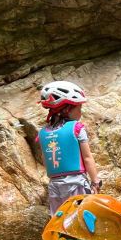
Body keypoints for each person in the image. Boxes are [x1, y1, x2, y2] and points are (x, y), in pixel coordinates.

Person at [36, 80, 101, 212]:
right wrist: (95, 182)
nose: (80, 112)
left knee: (60, 219)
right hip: (76, 184)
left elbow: (45, 160)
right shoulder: (76, 128)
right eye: (79, 108)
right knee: (81, 218)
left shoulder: (43, 133)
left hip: (54, 187)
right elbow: (87, 158)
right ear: (67, 109)